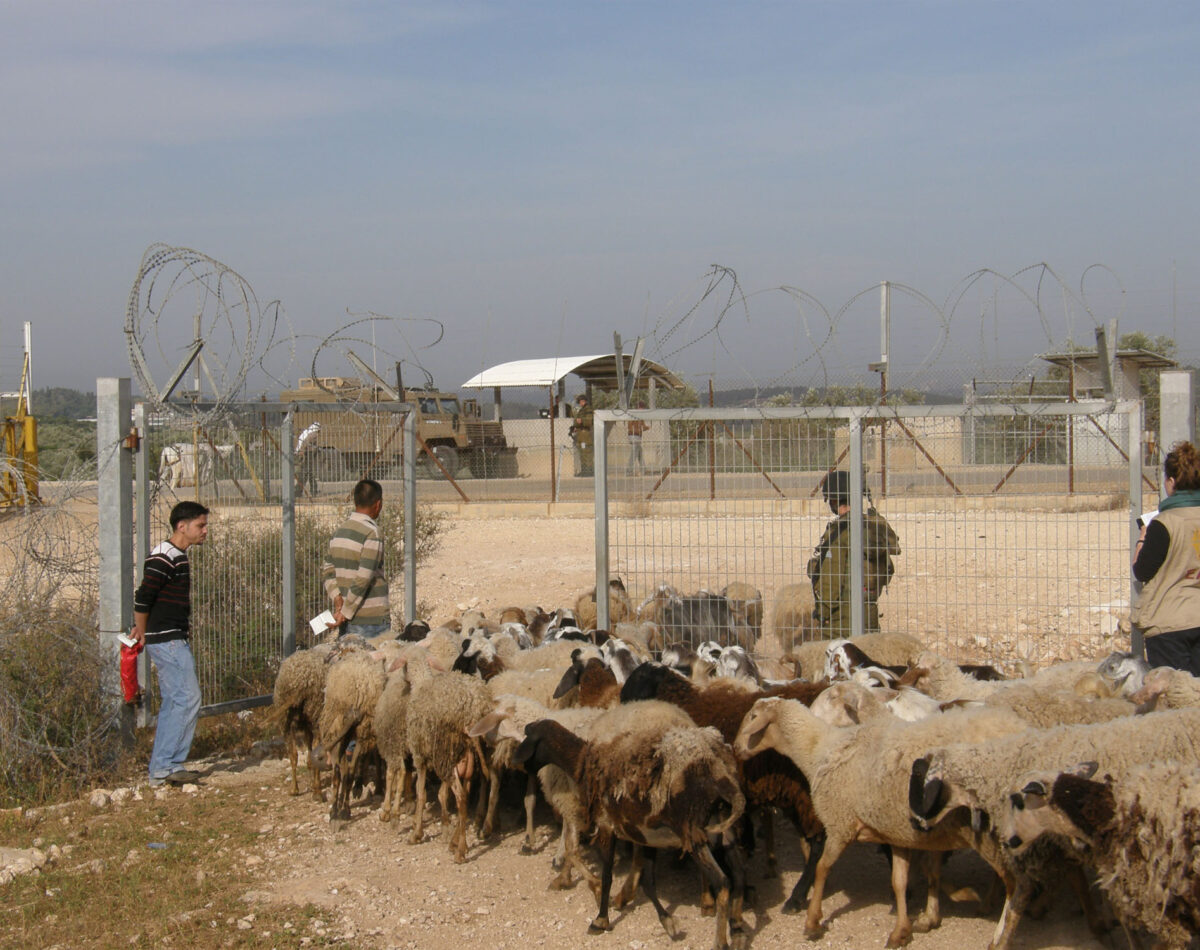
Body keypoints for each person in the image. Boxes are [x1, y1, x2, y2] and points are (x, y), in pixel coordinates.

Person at [132, 500, 209, 787]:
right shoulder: (164, 556)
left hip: (170, 637)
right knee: (188, 698)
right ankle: (166, 765)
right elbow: (144, 596)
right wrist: (141, 631)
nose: (204, 531)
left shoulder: (177, 556)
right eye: (200, 525)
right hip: (168, 639)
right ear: (181, 526)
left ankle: (164, 766)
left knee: (176, 701)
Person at [1132, 440, 1200, 675]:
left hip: (1169, 622)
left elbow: (1142, 570)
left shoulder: (1164, 524)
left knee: (1173, 698)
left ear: (1171, 482)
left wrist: (1143, 536)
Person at [807, 470, 900, 636]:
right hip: (868, 610)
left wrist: (822, 613)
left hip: (841, 617)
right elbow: (887, 571)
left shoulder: (842, 531)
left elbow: (831, 580)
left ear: (834, 500)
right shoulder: (873, 527)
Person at [322, 478, 391, 639]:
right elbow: (363, 577)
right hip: (370, 622)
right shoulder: (372, 533)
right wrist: (345, 612)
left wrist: (337, 598)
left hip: (346, 619)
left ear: (355, 501)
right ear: (378, 504)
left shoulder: (340, 532)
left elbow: (327, 571)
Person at [570, 393, 595, 476]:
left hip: (585, 435)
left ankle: (589, 471)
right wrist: (575, 426)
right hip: (581, 435)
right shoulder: (582, 409)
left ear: (582, 401)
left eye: (580, 401)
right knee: (582, 453)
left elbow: (589, 421)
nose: (579, 403)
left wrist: (580, 421)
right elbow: (577, 420)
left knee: (586, 453)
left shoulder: (588, 409)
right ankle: (584, 471)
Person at [295, 420, 321, 497]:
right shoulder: (313, 435)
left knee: (307, 474)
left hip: (303, 454)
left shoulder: (307, 432)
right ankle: (311, 491)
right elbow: (307, 445)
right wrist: (316, 449)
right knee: (308, 474)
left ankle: (300, 491)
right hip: (306, 455)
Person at [626, 408, 649, 476]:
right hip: (633, 436)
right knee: (634, 454)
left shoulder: (640, 418)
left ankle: (643, 470)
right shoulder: (633, 416)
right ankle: (629, 471)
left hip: (638, 437)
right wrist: (639, 429)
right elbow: (630, 427)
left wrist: (646, 428)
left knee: (639, 452)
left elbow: (643, 427)